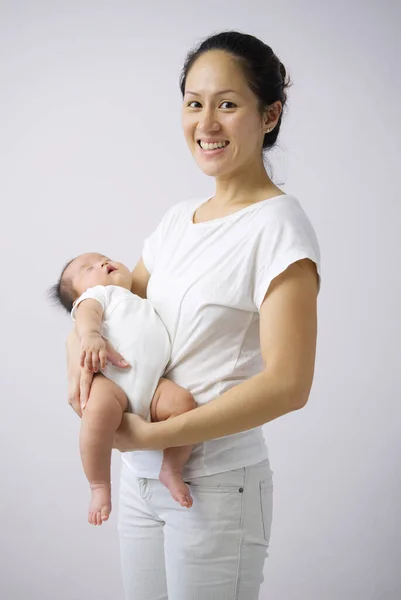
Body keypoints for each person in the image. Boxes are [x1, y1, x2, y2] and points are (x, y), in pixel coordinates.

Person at [66, 31, 321, 600]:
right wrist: (78, 367)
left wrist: (154, 433)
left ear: (270, 114)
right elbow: (107, 307)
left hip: (216, 485)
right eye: (194, 102)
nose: (206, 122)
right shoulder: (177, 221)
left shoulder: (279, 226)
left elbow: (289, 385)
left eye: (228, 104)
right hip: (137, 480)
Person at [52, 252, 196, 525]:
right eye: (89, 267)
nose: (103, 263)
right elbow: (87, 317)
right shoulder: (96, 298)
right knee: (96, 414)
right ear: (79, 294)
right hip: (113, 382)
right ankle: (98, 485)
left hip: (152, 386)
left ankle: (171, 469)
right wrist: (92, 335)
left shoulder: (140, 300)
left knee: (184, 404)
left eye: (104, 258)